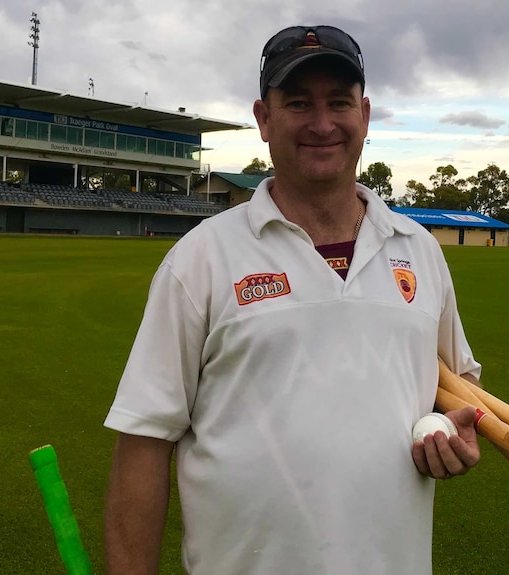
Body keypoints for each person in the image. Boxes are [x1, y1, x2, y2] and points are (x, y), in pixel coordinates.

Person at [103, 24, 482, 575]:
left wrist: (454, 434)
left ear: (366, 114)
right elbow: (144, 440)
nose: (323, 123)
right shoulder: (201, 258)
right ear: (264, 118)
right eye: (299, 103)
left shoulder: (419, 250)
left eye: (339, 102)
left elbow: (460, 389)